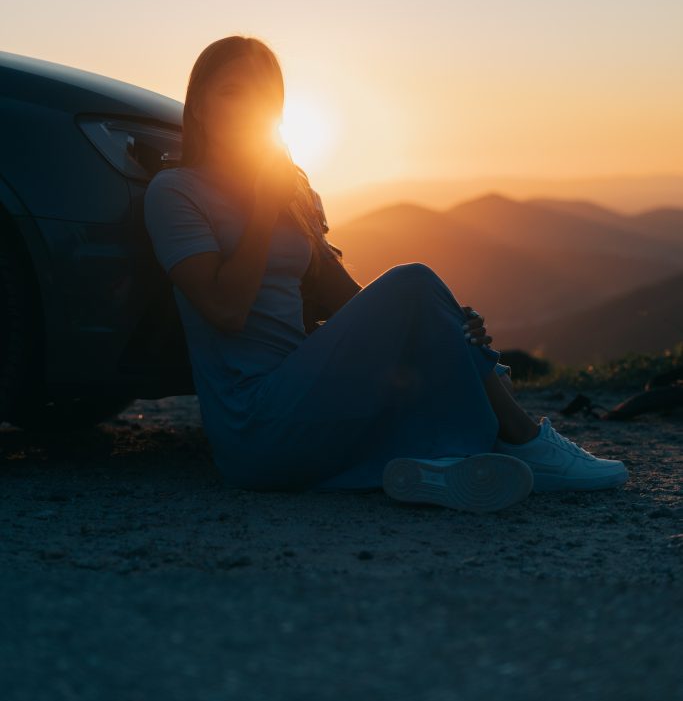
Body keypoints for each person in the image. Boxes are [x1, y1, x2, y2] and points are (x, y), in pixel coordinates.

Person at [143, 35, 629, 513]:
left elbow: (351, 305)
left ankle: (436, 465)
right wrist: (263, 207)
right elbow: (226, 311)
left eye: (264, 98)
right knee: (412, 279)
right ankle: (525, 443)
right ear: (199, 106)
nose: (250, 109)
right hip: (253, 426)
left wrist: (446, 328)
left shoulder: (291, 194)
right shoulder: (176, 192)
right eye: (232, 93)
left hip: (307, 400)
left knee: (433, 315)